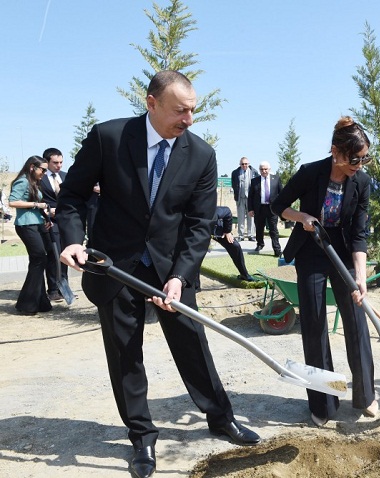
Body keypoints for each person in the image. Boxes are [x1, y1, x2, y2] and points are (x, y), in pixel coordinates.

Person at [56, 71, 260, 478]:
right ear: (151, 103)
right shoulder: (108, 138)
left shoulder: (201, 155)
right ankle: (142, 438)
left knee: (193, 346)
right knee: (125, 355)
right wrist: (74, 240)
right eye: (180, 110)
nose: (188, 119)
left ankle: (221, 417)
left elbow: (199, 223)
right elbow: (72, 196)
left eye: (193, 111)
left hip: (171, 272)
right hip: (113, 267)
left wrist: (180, 276)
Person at [271, 116, 378, 427]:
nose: (360, 163)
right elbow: (278, 205)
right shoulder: (310, 172)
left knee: (357, 321)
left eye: (365, 157)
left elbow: (360, 232)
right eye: (354, 158)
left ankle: (366, 395)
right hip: (311, 252)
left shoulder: (362, 181)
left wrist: (360, 276)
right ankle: (323, 403)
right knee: (315, 324)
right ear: (336, 151)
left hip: (343, 252)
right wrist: (302, 215)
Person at [8, 156, 53, 315]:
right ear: (32, 167)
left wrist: (45, 216)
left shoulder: (34, 183)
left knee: (41, 259)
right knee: (39, 258)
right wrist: (36, 204)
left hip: (37, 223)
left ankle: (40, 302)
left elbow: (37, 205)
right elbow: (12, 202)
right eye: (43, 169)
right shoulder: (23, 181)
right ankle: (26, 303)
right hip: (26, 225)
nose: (44, 173)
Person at [39, 147, 69, 302]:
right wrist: (47, 212)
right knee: (53, 254)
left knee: (66, 254)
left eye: (61, 162)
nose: (59, 165)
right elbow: (37, 199)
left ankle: (64, 288)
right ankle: (52, 290)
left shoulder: (66, 176)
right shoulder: (40, 178)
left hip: (66, 221)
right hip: (49, 221)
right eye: (55, 162)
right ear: (47, 162)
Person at [248, 161, 282, 256]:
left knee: (273, 230)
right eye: (262, 169)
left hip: (272, 209)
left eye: (265, 169)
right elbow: (250, 196)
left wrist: (281, 208)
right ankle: (260, 244)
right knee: (259, 228)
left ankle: (277, 249)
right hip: (259, 208)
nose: (264, 171)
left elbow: (282, 194)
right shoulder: (254, 181)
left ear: (269, 169)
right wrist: (250, 209)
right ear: (259, 170)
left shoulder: (276, 179)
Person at [212, 205, 255, 281]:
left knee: (235, 246)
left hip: (216, 229)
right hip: (196, 232)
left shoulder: (215, 212)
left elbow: (227, 212)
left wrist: (227, 231)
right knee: (197, 255)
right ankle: (196, 286)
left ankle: (244, 274)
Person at [231, 157, 258, 241]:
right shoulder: (235, 172)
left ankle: (251, 235)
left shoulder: (254, 172)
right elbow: (233, 184)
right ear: (240, 164)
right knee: (240, 217)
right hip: (240, 197)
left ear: (248, 164)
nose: (244, 165)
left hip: (251, 198)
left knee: (251, 216)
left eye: (246, 164)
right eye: (242, 164)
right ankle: (241, 235)